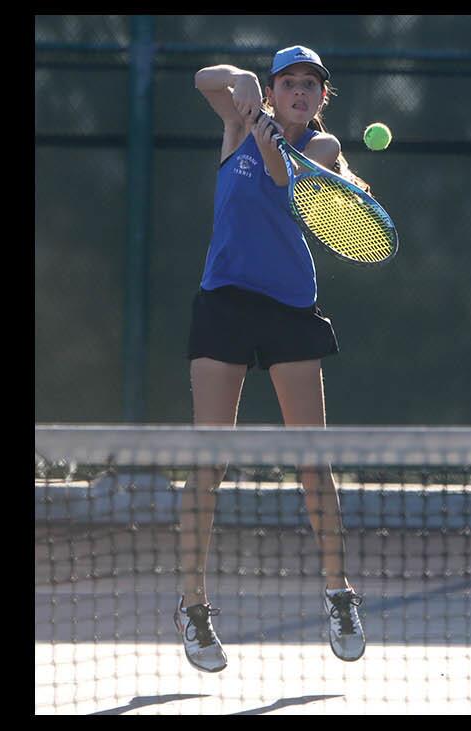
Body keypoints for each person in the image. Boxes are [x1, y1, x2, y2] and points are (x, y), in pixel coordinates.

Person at [174, 46, 367, 674]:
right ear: (276, 88)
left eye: (311, 85)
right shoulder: (237, 120)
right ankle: (193, 607)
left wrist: (266, 136)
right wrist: (237, 80)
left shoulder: (325, 147)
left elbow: (287, 180)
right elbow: (204, 80)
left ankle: (340, 596)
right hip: (223, 304)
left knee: (313, 463)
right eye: (289, 83)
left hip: (289, 310)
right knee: (210, 460)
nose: (300, 93)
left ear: (320, 99)